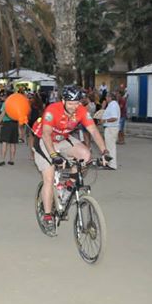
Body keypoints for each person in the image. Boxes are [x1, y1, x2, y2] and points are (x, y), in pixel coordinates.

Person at [31, 85, 109, 236]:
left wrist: (105, 151)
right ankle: (47, 216)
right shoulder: (52, 110)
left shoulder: (81, 110)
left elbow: (93, 130)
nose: (74, 106)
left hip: (63, 139)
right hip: (44, 141)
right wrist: (54, 156)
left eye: (77, 103)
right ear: (63, 101)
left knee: (85, 156)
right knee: (49, 177)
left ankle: (68, 186)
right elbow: (46, 134)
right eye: (71, 103)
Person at [0, 98, 19, 166]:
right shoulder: (17, 104)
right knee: (13, 143)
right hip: (15, 123)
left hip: (7, 124)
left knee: (4, 142)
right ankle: (12, 160)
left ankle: (2, 159)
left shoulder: (6, 104)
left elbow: (2, 114)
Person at [100, 92, 120, 170]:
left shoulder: (113, 105)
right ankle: (108, 163)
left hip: (111, 128)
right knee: (109, 147)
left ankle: (112, 165)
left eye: (106, 97)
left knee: (110, 147)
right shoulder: (112, 104)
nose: (106, 99)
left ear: (110, 97)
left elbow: (114, 117)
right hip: (111, 128)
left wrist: (105, 121)